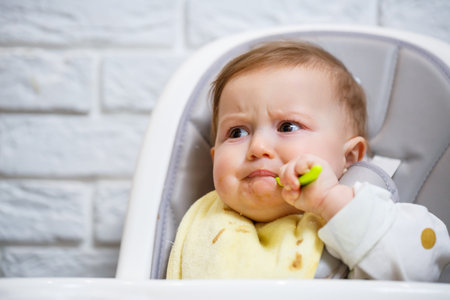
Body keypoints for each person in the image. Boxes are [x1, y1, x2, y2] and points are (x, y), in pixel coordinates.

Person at [166, 41, 450, 280]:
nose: (258, 147)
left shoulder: (368, 215)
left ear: (349, 157)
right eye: (237, 132)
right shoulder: (206, 223)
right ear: (214, 158)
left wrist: (332, 202)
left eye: (288, 127)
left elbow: (419, 271)